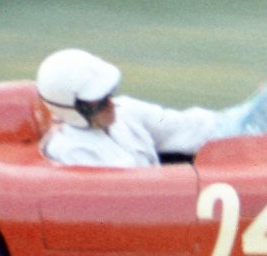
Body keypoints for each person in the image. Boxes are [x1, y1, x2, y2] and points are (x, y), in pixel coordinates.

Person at [35, 48, 218, 168]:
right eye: (97, 100)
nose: (110, 104)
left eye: (108, 94)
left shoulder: (127, 110)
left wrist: (240, 122)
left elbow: (188, 127)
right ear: (73, 109)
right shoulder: (71, 151)